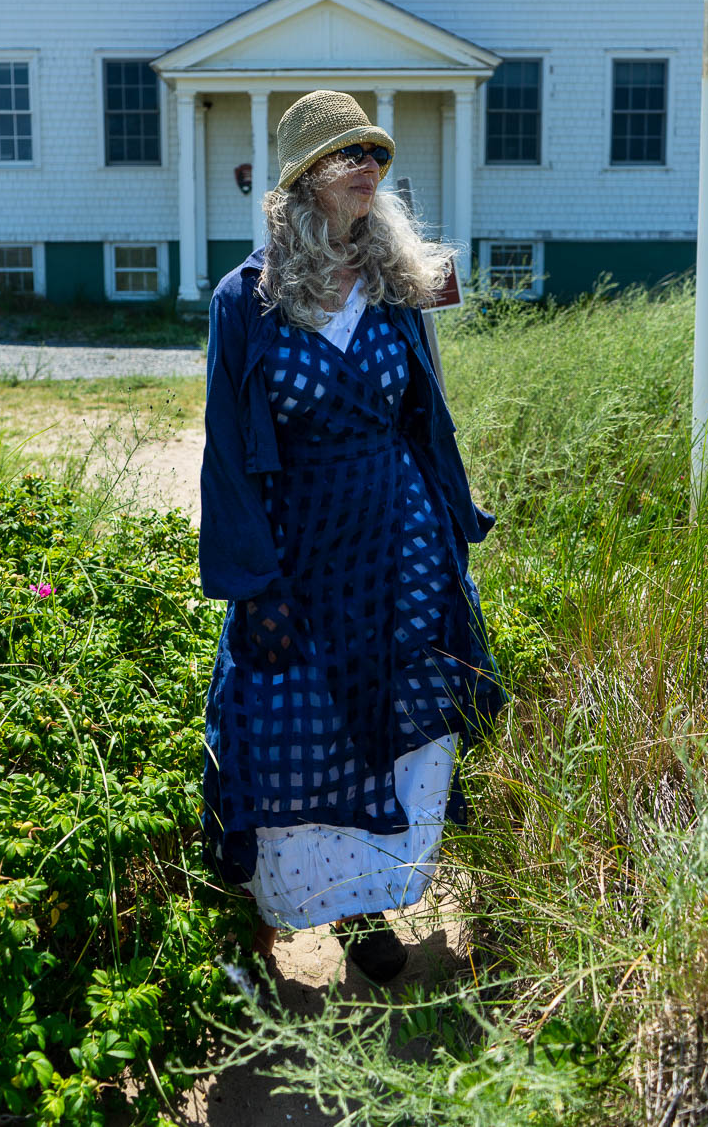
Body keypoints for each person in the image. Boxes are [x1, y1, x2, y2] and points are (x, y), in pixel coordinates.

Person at [198, 90, 504, 985]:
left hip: (398, 534)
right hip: (300, 542)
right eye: (347, 154)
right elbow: (227, 448)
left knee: (393, 716)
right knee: (275, 722)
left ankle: (369, 903)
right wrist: (254, 583)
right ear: (302, 181)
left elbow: (427, 417)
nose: (369, 164)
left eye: (374, 151)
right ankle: (252, 924)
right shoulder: (245, 300)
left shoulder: (399, 286)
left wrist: (452, 530)